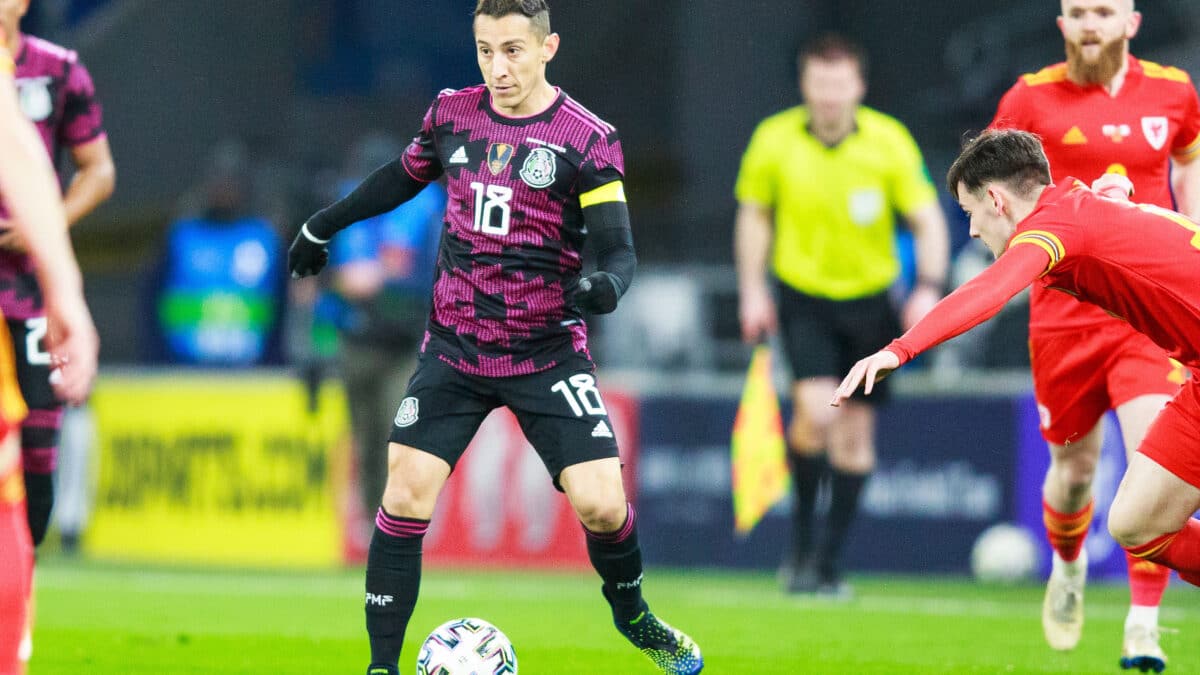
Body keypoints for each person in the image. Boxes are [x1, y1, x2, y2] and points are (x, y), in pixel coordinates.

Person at [287, 2, 703, 674]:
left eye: (512, 49)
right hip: (455, 347)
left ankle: (637, 619)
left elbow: (618, 253)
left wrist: (608, 287)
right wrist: (322, 225)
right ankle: (381, 666)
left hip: (545, 350)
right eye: (485, 50)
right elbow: (400, 178)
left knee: (601, 502)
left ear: (548, 48)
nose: (497, 67)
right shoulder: (453, 114)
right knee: (405, 490)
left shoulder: (587, 138)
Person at [832, 129, 1200, 672]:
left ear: (997, 200)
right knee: (1135, 523)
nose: (974, 230)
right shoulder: (1079, 202)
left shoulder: (1055, 225)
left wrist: (898, 351)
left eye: (970, 212)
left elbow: (990, 290)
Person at [988, 0, 1200, 665]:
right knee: (1072, 472)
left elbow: (1189, 161)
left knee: (1150, 465)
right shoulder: (1030, 98)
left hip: (1145, 313)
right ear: (1061, 25)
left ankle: (1143, 624)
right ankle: (1069, 565)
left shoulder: (1173, 90)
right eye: (1077, 11)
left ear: (1130, 23)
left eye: (1103, 11)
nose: (1090, 23)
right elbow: (990, 183)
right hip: (1063, 310)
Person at [733, 33, 949, 596]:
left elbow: (927, 219)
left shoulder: (889, 142)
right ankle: (801, 545)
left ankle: (825, 565)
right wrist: (753, 290)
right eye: (819, 84)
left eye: (840, 85)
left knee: (854, 440)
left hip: (872, 301)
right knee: (815, 415)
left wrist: (927, 286)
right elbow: (755, 217)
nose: (829, 96)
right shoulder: (773, 140)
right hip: (802, 297)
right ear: (805, 86)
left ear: (859, 86)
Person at [0, 26, 100, 675]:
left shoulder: (54, 71)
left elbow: (20, 155)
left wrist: (62, 283)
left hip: (16, 300)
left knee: (18, 488)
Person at [324, 134, 446, 541]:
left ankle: (402, 522)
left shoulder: (427, 206)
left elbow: (438, 270)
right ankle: (376, 526)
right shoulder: (344, 203)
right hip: (354, 340)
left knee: (399, 434)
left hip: (406, 343)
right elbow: (317, 274)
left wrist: (384, 280)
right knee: (365, 439)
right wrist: (342, 282)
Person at [146, 143, 287, 367]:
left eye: (231, 179)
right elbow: (151, 300)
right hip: (182, 370)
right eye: (219, 178)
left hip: (253, 373)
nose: (224, 187)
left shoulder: (265, 238)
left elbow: (283, 306)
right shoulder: (182, 235)